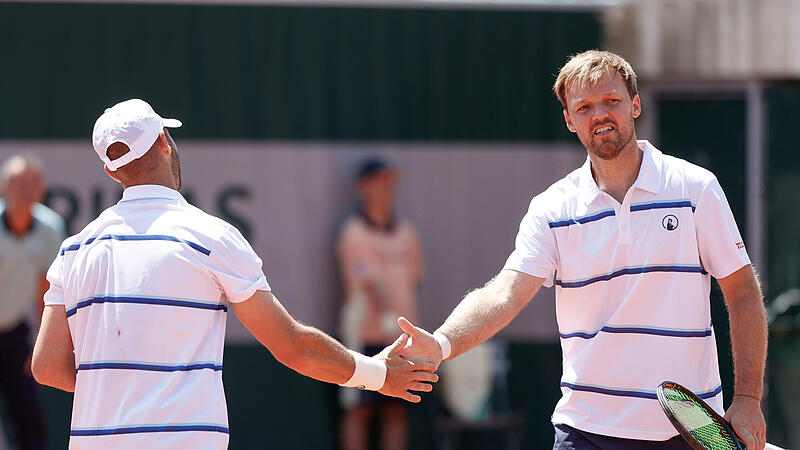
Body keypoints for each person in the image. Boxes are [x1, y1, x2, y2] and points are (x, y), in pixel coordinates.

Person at [396, 50, 769, 450]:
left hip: (688, 433)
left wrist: (748, 398)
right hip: (586, 432)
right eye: (585, 107)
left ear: (635, 105)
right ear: (570, 120)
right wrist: (441, 343)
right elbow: (504, 293)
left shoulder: (696, 189)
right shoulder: (551, 208)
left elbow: (743, 293)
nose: (601, 115)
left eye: (612, 101)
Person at [30, 99, 437, 449]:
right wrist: (378, 374)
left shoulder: (73, 250)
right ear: (163, 143)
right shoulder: (212, 237)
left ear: (111, 172)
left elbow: (46, 367)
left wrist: (118, 389)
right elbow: (291, 346)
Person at [337, 157, 424, 450]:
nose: (387, 188)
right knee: (359, 410)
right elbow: (368, 283)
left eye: (391, 182)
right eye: (380, 182)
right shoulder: (353, 233)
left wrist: (400, 324)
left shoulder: (407, 233)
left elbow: (415, 279)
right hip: (363, 337)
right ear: (363, 187)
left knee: (396, 408)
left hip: (402, 340)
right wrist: (387, 315)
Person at [0, 154, 65, 450]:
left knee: (29, 422)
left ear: (42, 189)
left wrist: (40, 341)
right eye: (18, 182)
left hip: (15, 334)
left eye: (32, 183)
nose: (25, 190)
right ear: (4, 187)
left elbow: (46, 289)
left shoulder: (50, 228)